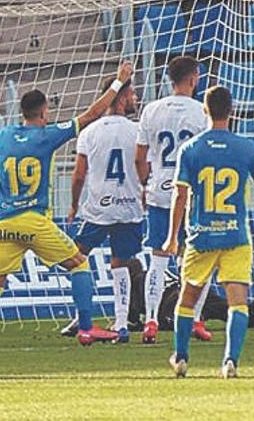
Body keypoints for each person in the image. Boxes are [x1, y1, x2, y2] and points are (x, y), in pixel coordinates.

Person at [0, 61, 135, 352]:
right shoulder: (47, 136)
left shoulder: (3, 136)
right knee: (79, 264)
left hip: (3, 224)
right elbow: (92, 114)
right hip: (33, 220)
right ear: (43, 112)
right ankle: (86, 326)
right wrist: (118, 82)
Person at [166, 85, 254, 379]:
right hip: (235, 237)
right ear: (232, 110)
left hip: (201, 236)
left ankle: (181, 358)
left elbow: (180, 196)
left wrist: (171, 236)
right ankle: (230, 360)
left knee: (187, 300)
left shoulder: (190, 149)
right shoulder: (247, 147)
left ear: (205, 109)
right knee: (238, 301)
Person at [135, 55, 212, 345]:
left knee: (157, 260)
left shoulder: (151, 110)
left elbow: (139, 157)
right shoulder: (201, 112)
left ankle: (151, 321)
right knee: (197, 260)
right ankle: (194, 319)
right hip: (192, 196)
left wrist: (146, 184)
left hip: (159, 193)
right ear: (193, 79)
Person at [69, 75, 142, 343]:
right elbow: (145, 166)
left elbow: (78, 176)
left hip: (98, 209)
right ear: (121, 98)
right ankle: (121, 324)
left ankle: (83, 316)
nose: (135, 99)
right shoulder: (138, 131)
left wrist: (74, 205)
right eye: (132, 95)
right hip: (129, 209)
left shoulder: (90, 132)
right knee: (120, 263)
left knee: (75, 258)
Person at [59, 257, 254, 335]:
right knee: (246, 317)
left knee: (179, 325)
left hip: (172, 306)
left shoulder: (135, 290)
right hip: (195, 291)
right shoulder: (151, 274)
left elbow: (132, 322)